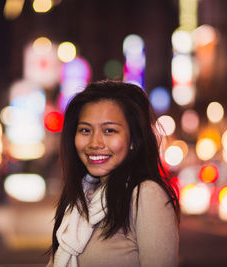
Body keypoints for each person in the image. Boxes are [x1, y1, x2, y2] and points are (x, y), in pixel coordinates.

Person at [47, 80, 180, 267]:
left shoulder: (145, 195)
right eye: (85, 130)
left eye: (109, 130)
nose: (95, 143)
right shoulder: (80, 201)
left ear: (134, 139)